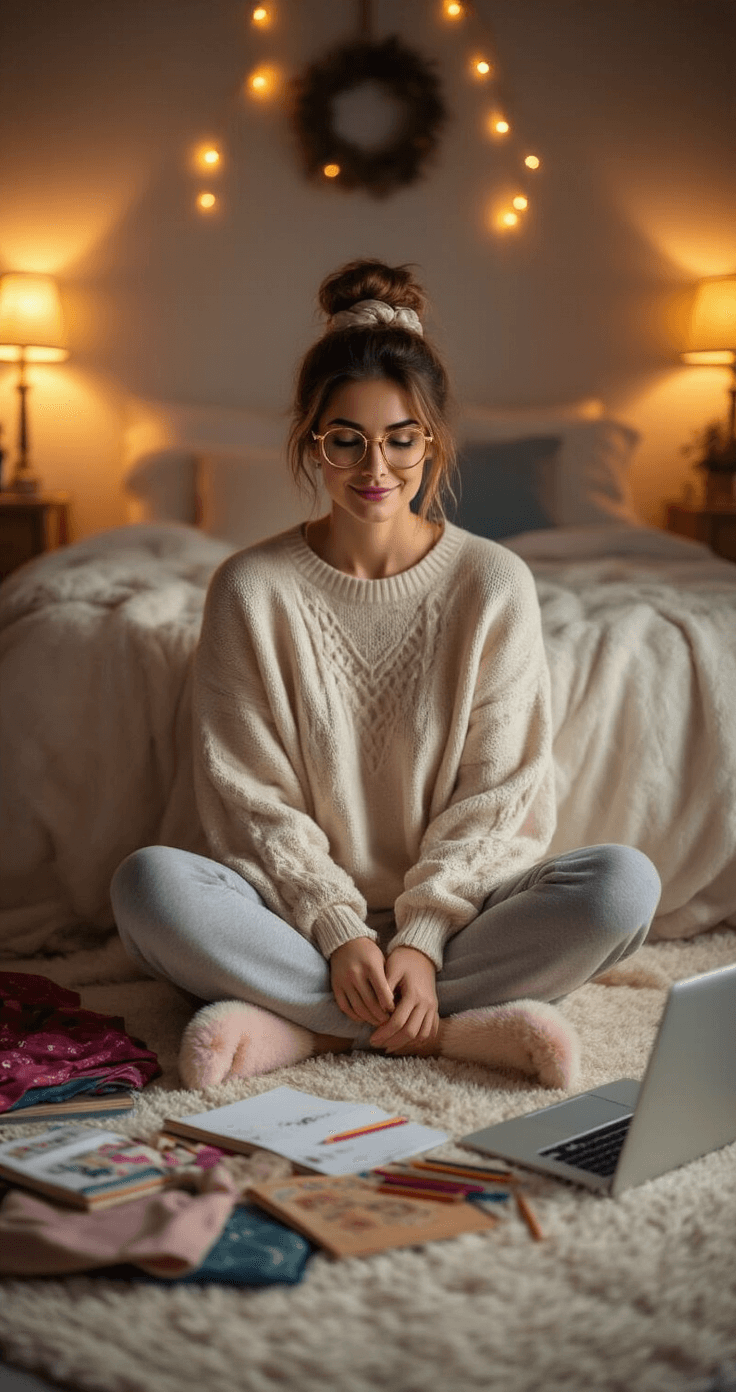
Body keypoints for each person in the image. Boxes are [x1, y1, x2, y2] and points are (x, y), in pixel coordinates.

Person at [111, 258, 661, 1092]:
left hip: (466, 917)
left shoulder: (493, 581)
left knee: (624, 887)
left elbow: (499, 791)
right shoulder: (250, 588)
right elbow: (247, 797)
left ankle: (305, 1025)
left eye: (402, 438)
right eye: (347, 439)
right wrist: (339, 931)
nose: (376, 467)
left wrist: (422, 938)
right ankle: (443, 1028)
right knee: (148, 886)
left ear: (432, 441)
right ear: (311, 441)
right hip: (290, 919)